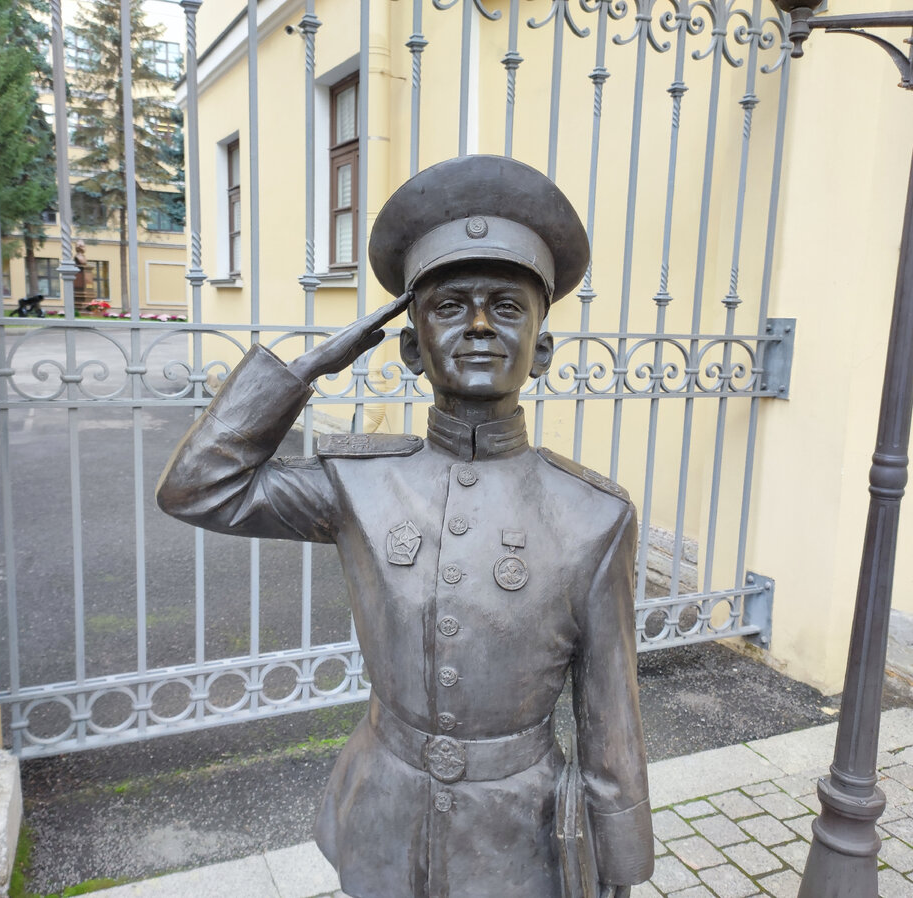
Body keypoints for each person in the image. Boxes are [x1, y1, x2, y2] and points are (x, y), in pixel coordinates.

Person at [156, 155, 652, 898]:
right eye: (450, 306)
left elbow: (611, 715)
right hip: (379, 807)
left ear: (541, 349)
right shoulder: (358, 484)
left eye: (508, 307)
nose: (480, 324)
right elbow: (199, 490)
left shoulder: (592, 516)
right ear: (413, 347)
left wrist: (620, 868)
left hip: (517, 834)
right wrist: (306, 371)